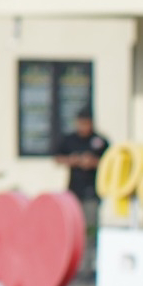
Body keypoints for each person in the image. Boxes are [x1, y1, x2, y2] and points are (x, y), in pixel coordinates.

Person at [54, 109, 109, 273]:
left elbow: (110, 162)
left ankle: (88, 267)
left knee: (90, 230)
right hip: (74, 192)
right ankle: (73, 266)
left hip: (92, 192)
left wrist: (93, 162)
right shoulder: (70, 140)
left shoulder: (99, 141)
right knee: (73, 230)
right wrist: (74, 160)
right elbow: (57, 158)